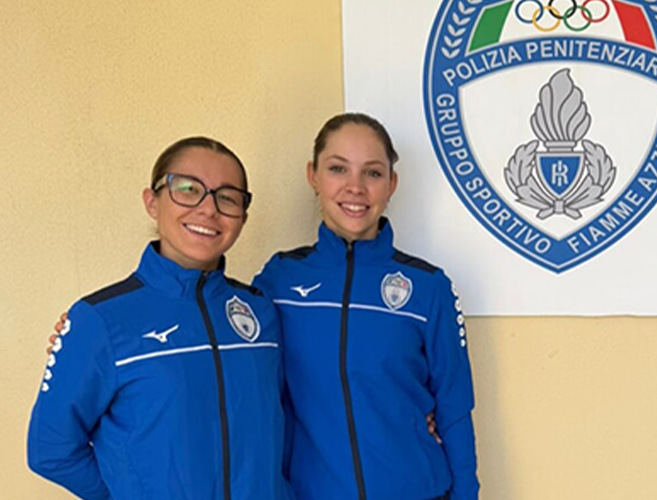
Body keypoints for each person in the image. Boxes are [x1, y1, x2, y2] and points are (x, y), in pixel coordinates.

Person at [28, 137, 292, 499]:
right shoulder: (99, 319)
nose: (208, 209)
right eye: (188, 189)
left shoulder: (260, 311)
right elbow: (50, 449)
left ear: (243, 216)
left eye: (227, 197)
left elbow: (280, 425)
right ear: (152, 202)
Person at [252, 113, 478, 500]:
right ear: (313, 176)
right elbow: (251, 392)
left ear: (391, 184)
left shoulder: (428, 288)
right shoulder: (278, 281)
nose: (355, 187)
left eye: (372, 173)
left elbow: (455, 409)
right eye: (338, 169)